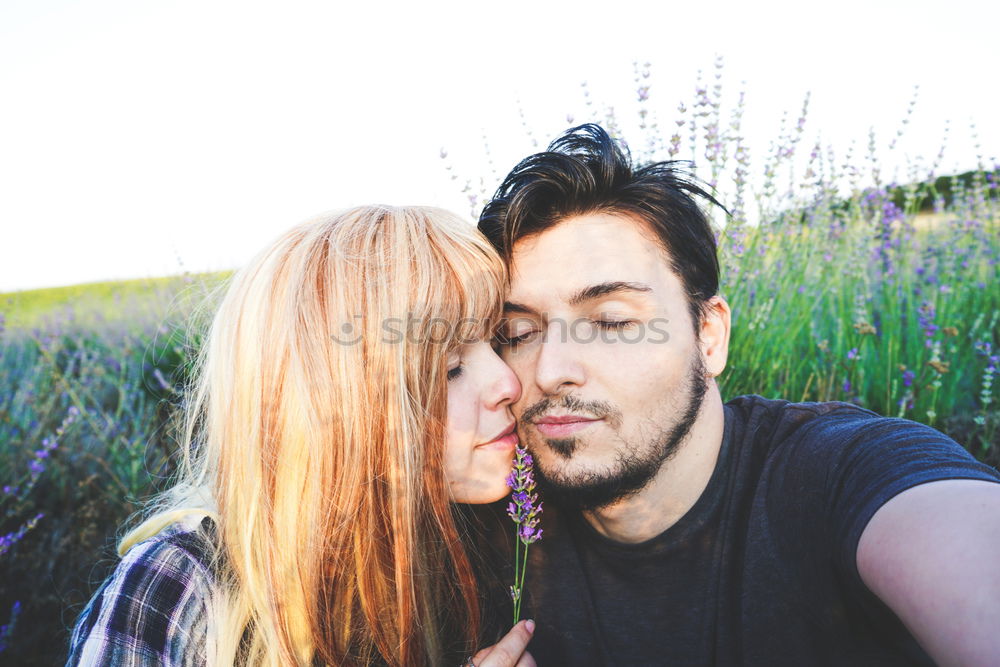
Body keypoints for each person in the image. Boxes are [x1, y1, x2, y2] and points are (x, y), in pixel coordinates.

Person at [477, 124, 1000, 666]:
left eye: (610, 322)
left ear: (709, 335)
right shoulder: (495, 515)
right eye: (517, 333)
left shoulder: (842, 473)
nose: (551, 369)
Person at [66, 206, 537, 666]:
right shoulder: (178, 591)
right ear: (339, 405)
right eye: (451, 368)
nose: (508, 384)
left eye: (499, 341)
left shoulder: (493, 550)